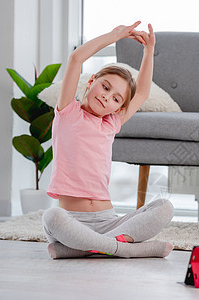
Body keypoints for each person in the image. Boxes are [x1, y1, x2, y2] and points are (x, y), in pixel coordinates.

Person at [42, 22, 174, 259]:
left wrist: (148, 51)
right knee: (51, 217)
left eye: (116, 98)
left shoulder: (111, 123)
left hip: (108, 222)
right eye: (105, 87)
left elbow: (142, 92)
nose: (106, 97)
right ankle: (122, 249)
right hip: (71, 221)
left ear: (119, 107)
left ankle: (82, 248)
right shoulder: (67, 112)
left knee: (165, 207)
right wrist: (114, 36)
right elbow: (75, 59)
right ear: (92, 81)